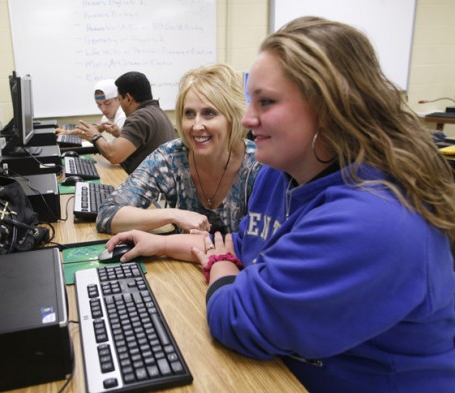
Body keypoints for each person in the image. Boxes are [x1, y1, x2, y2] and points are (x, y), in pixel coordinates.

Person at [103, 17, 455, 393]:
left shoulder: (373, 219)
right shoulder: (279, 175)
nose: (249, 120)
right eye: (251, 101)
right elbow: (245, 246)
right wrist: (163, 242)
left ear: (329, 108)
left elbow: (236, 317)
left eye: (266, 102)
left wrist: (222, 269)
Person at [96, 63, 261, 235]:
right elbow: (107, 214)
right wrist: (172, 215)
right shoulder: (170, 157)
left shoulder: (259, 166)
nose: (196, 126)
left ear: (232, 117)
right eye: (189, 114)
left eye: (209, 113)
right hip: (182, 261)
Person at [65, 71, 176, 173]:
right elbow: (143, 144)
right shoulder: (157, 112)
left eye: (119, 99)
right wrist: (119, 134)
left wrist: (95, 136)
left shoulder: (139, 118)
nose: (120, 104)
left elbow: (114, 155)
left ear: (128, 98)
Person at [56, 79, 126, 141]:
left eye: (107, 103)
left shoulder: (123, 118)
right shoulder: (107, 116)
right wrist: (69, 132)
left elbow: (114, 152)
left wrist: (95, 138)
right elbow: (97, 128)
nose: (103, 109)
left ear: (119, 99)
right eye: (99, 104)